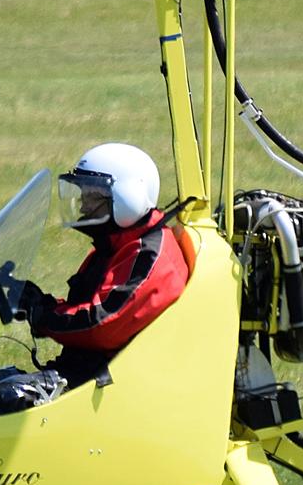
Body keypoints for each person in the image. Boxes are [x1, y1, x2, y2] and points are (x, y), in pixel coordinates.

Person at [16, 143, 189, 388]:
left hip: (108, 384)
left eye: (92, 196)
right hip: (88, 371)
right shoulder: (118, 245)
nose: (84, 206)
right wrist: (40, 304)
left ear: (128, 197)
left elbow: (101, 325)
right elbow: (88, 309)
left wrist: (44, 315)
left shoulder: (148, 257)